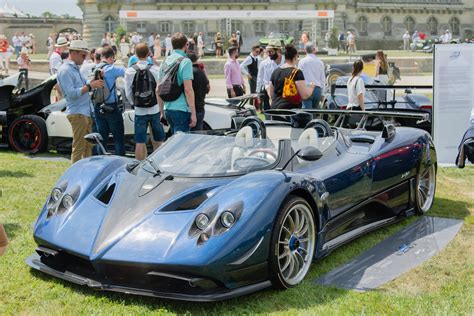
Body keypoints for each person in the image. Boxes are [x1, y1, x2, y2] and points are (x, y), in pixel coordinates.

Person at [57, 40, 104, 163]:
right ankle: (75, 175)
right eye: (83, 55)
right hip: (77, 112)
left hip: (84, 112)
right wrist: (90, 86)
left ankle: (85, 173)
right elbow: (71, 94)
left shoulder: (74, 69)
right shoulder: (65, 70)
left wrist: (93, 81)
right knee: (79, 147)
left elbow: (83, 85)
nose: (85, 58)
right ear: (73, 53)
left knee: (88, 146)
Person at [125, 43, 165, 160]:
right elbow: (159, 90)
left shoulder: (130, 71)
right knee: (158, 140)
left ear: (135, 55)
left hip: (139, 110)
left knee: (140, 141)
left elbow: (128, 92)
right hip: (155, 108)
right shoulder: (155, 69)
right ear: (148, 53)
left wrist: (135, 103)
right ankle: (158, 163)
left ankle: (140, 165)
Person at [157, 32, 197, 134]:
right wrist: (193, 112)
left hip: (167, 109)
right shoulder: (186, 61)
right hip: (181, 109)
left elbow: (158, 89)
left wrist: (161, 111)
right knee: (181, 146)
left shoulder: (164, 62)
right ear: (186, 45)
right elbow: (188, 89)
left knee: (174, 143)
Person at [93, 46, 126, 156]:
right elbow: (128, 72)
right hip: (111, 106)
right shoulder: (111, 69)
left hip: (97, 106)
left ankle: (101, 161)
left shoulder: (93, 68)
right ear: (111, 57)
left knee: (101, 139)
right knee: (118, 137)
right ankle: (120, 161)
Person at [268, 44, 315, 109]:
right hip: (290, 111)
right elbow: (304, 95)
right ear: (295, 57)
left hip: (275, 108)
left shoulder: (275, 71)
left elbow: (271, 94)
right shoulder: (297, 72)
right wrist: (311, 87)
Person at [257, 39, 285, 111]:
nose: (269, 54)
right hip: (268, 91)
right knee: (268, 113)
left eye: (271, 51)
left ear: (278, 51)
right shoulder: (264, 63)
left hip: (284, 93)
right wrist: (258, 94)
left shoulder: (286, 62)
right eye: (268, 51)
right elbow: (261, 79)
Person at [298, 42, 325, 109]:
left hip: (306, 88)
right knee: (315, 113)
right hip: (317, 89)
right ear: (314, 49)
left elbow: (298, 77)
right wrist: (322, 92)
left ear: (305, 50)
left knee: (307, 113)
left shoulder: (302, 62)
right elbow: (322, 79)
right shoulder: (320, 62)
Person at [188, 52, 209, 131]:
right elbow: (207, 89)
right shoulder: (202, 72)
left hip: (192, 108)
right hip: (201, 107)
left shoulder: (190, 72)